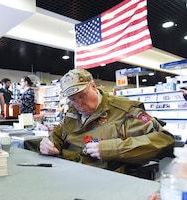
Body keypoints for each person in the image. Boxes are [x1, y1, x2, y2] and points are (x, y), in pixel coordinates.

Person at [39, 68, 175, 174]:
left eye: (82, 96)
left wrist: (113, 149)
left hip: (103, 180)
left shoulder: (125, 111)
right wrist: (50, 143)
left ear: (93, 86)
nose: (79, 103)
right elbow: (58, 135)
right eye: (73, 99)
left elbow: (164, 139)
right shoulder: (72, 111)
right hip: (65, 172)